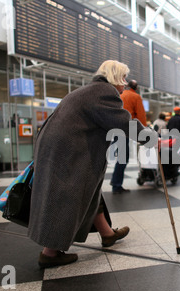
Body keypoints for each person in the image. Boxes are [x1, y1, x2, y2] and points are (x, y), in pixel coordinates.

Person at [28, 60, 154, 268]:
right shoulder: (103, 93)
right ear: (116, 78)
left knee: (89, 190)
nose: (124, 85)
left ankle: (107, 234)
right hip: (68, 151)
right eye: (123, 79)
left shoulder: (89, 91)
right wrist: (150, 138)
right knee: (69, 194)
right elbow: (123, 122)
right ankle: (49, 253)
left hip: (58, 148)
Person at [110, 79, 147, 194]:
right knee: (123, 158)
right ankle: (116, 184)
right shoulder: (135, 97)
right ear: (136, 88)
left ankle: (115, 183)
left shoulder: (120, 94)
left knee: (119, 156)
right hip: (124, 129)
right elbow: (140, 116)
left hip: (115, 128)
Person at [167, 104, 180, 170]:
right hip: (179, 139)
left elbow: (168, 128)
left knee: (173, 152)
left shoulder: (171, 119)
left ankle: (174, 166)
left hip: (172, 139)